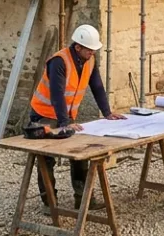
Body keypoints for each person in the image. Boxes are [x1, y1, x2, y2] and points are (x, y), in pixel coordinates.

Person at [25, 24, 124, 209]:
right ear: (78, 47)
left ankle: (83, 200)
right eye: (89, 50)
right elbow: (57, 93)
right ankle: (50, 204)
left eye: (94, 50)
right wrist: (64, 123)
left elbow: (97, 86)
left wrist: (107, 113)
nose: (92, 53)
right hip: (44, 115)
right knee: (46, 159)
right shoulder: (59, 61)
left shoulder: (89, 61)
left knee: (79, 154)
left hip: (66, 116)